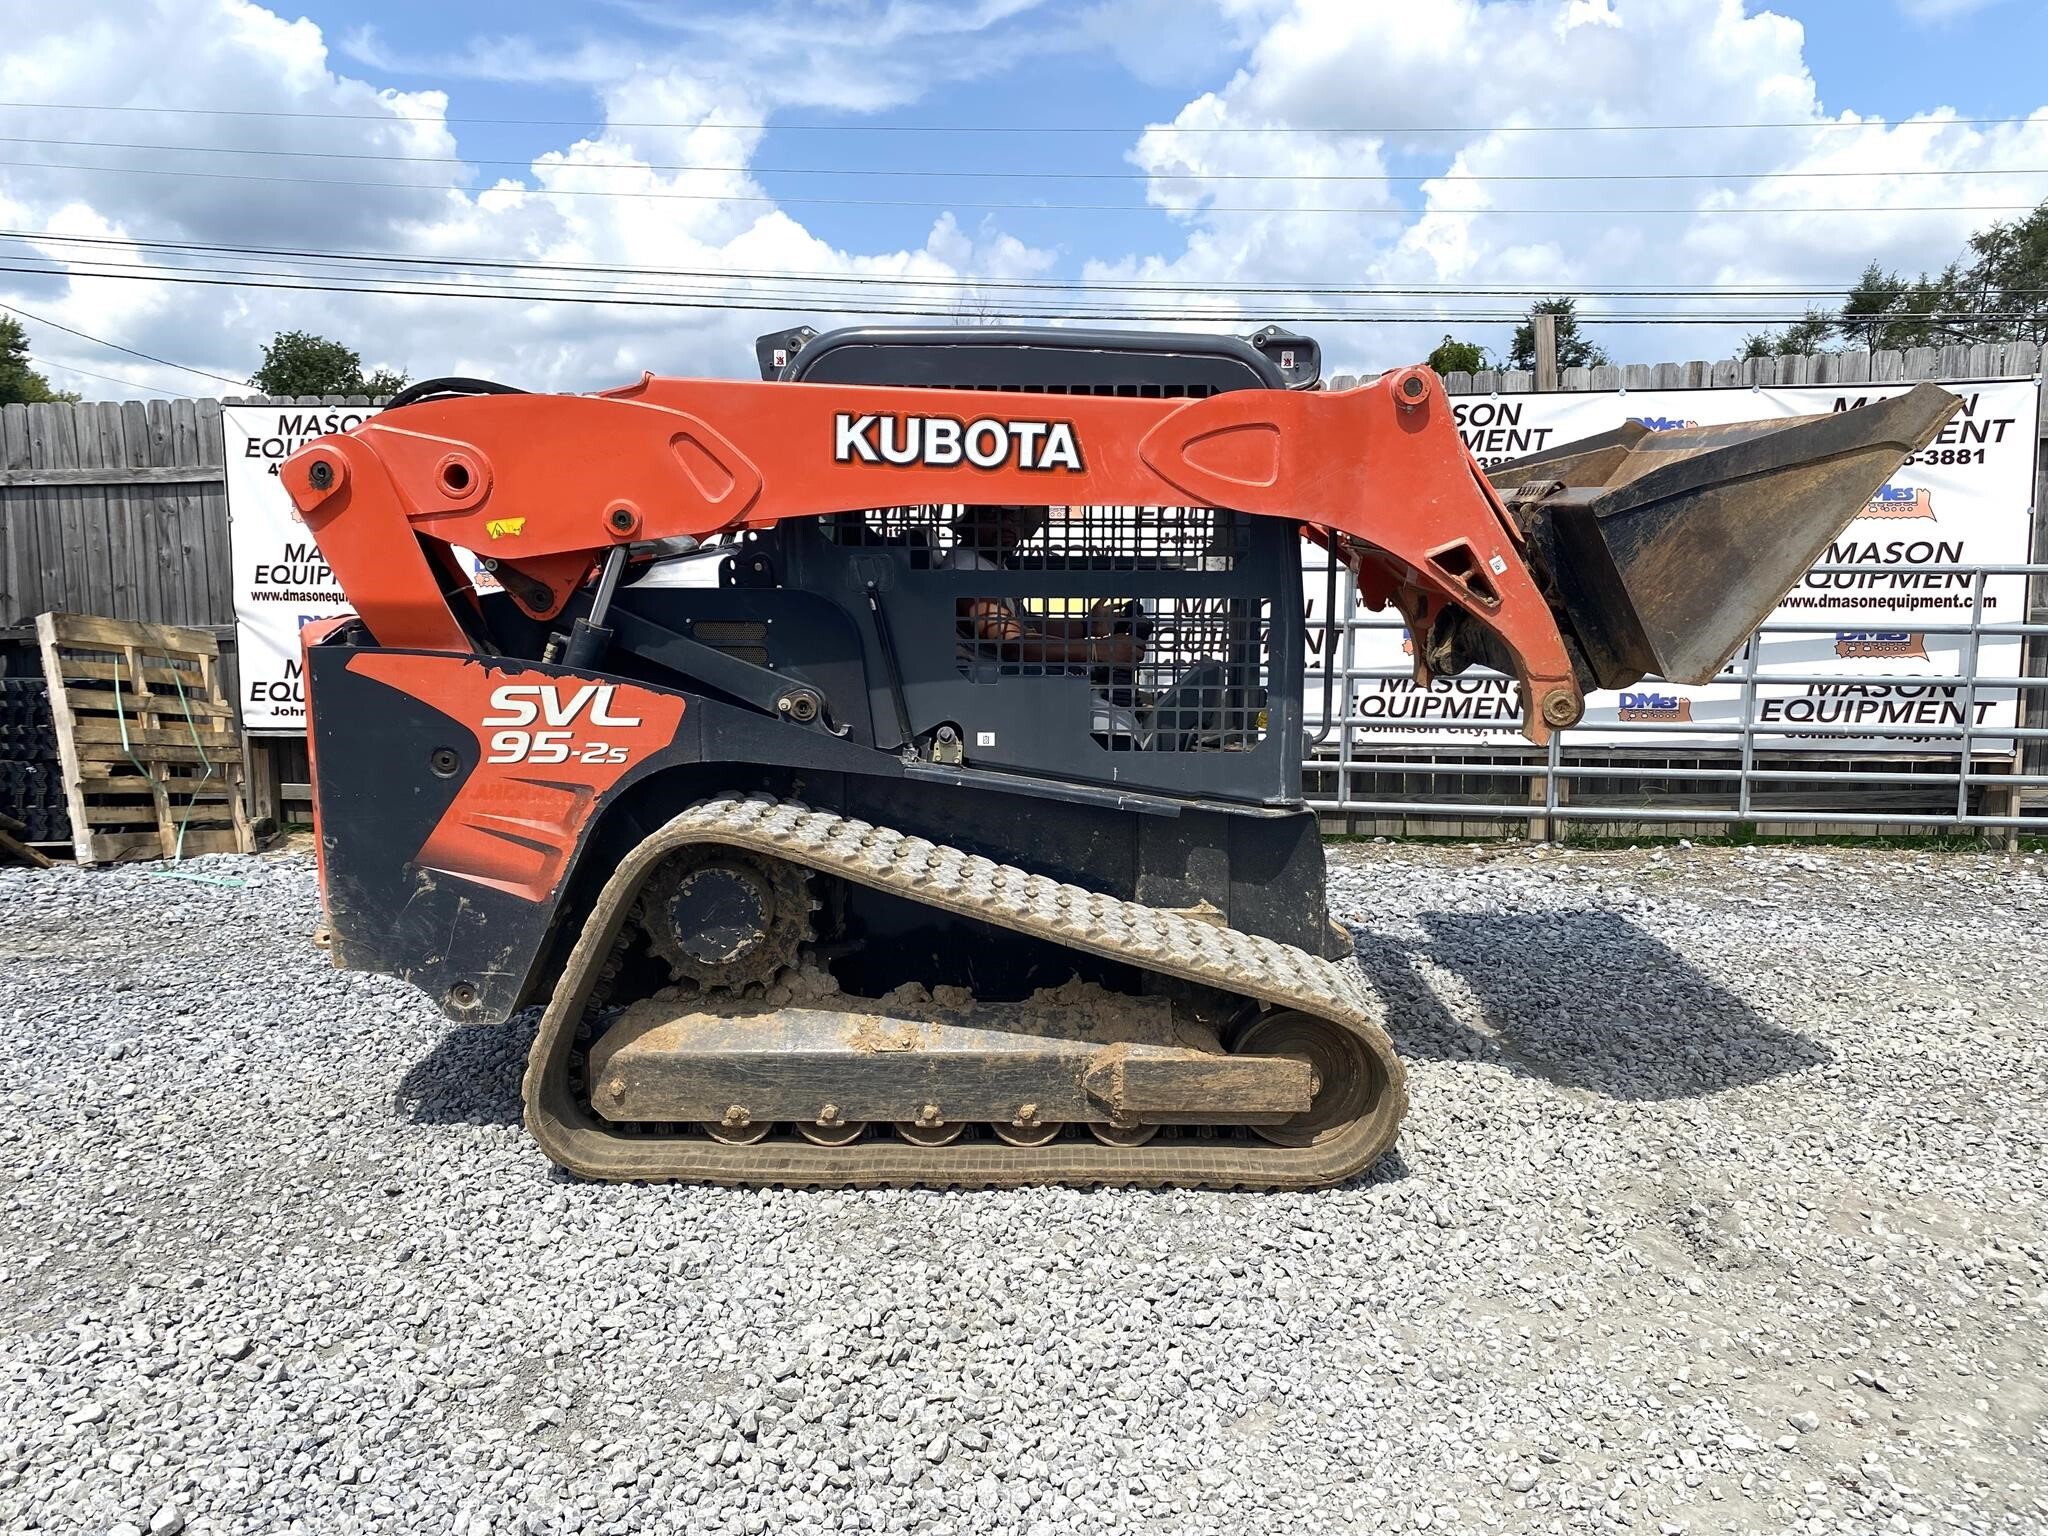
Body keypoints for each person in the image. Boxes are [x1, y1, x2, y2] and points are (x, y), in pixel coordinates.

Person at [939, 504, 1143, 672]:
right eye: (994, 515)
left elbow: (1027, 626)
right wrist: (1096, 649)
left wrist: (1088, 626)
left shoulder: (991, 565)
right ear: (969, 523)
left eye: (1015, 517)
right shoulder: (966, 570)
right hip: (985, 695)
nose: (1008, 525)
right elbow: (1013, 644)